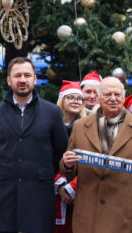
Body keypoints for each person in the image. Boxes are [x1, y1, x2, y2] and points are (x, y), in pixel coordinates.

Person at [61, 77, 132, 233]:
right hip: (86, 216)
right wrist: (67, 164)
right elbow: (68, 170)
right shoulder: (80, 126)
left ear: (124, 96)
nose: (113, 99)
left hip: (122, 216)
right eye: (107, 94)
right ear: (99, 97)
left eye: (117, 94)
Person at [0, 57, 68, 233]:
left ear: (35, 79)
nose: (22, 79)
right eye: (17, 75)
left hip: (39, 192)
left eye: (27, 75)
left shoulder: (52, 112)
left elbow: (61, 150)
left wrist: (41, 170)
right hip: (6, 192)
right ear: (9, 80)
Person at [54, 80, 85, 233]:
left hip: (81, 189)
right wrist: (59, 185)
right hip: (53, 190)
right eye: (70, 97)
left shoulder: (88, 126)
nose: (75, 101)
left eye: (79, 98)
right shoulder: (51, 125)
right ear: (62, 100)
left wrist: (72, 187)